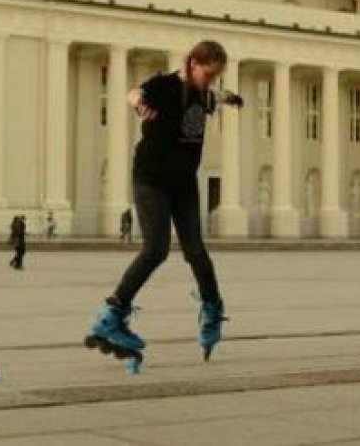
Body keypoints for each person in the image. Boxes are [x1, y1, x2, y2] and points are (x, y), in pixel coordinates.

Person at [84, 40, 244, 362]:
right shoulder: (167, 85)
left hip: (184, 183)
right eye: (208, 74)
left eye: (216, 76)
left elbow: (216, 96)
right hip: (152, 179)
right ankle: (111, 315)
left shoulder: (205, 93)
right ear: (193, 64)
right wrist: (138, 103)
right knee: (155, 249)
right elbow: (133, 92)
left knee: (196, 251)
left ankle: (212, 310)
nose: (211, 81)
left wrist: (230, 98)